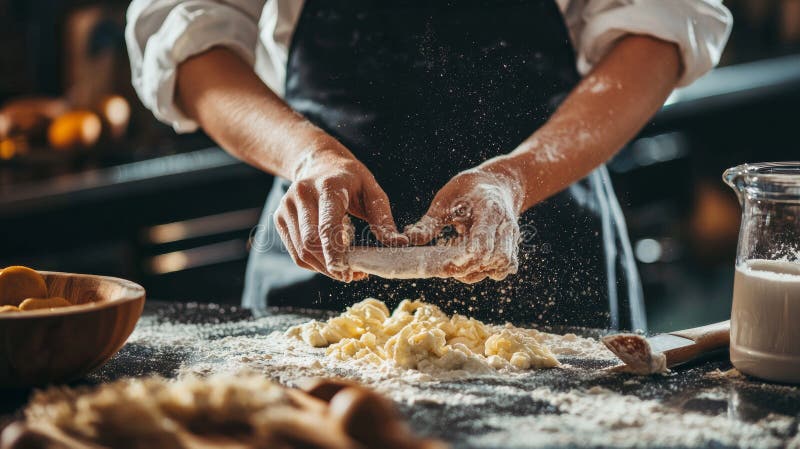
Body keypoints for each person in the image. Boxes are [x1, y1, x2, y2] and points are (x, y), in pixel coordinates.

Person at [126, 0, 732, 330]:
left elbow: (657, 31)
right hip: (320, 239)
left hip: (540, 222)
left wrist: (515, 177)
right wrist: (305, 153)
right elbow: (190, 39)